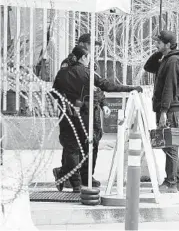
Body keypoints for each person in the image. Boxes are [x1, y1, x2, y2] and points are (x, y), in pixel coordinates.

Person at [52, 45, 143, 192]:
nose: (90, 59)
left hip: (67, 114)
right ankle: (74, 181)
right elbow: (108, 86)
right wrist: (131, 88)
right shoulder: (87, 74)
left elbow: (54, 92)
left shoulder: (62, 73)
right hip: (84, 115)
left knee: (72, 148)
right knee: (83, 148)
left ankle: (73, 181)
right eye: (89, 57)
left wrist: (66, 102)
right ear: (83, 57)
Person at [57, 53, 111, 189]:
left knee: (91, 146)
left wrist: (104, 104)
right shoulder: (69, 69)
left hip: (92, 114)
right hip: (76, 114)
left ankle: (84, 176)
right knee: (74, 148)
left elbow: (99, 90)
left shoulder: (90, 70)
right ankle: (73, 178)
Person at [144, 30, 179, 193]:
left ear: (168, 45)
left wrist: (163, 112)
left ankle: (171, 183)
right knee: (168, 145)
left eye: (159, 43)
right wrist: (159, 53)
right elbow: (148, 67)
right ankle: (177, 180)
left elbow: (169, 88)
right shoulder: (167, 59)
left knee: (170, 146)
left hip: (169, 110)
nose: (156, 44)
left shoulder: (174, 61)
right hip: (167, 109)